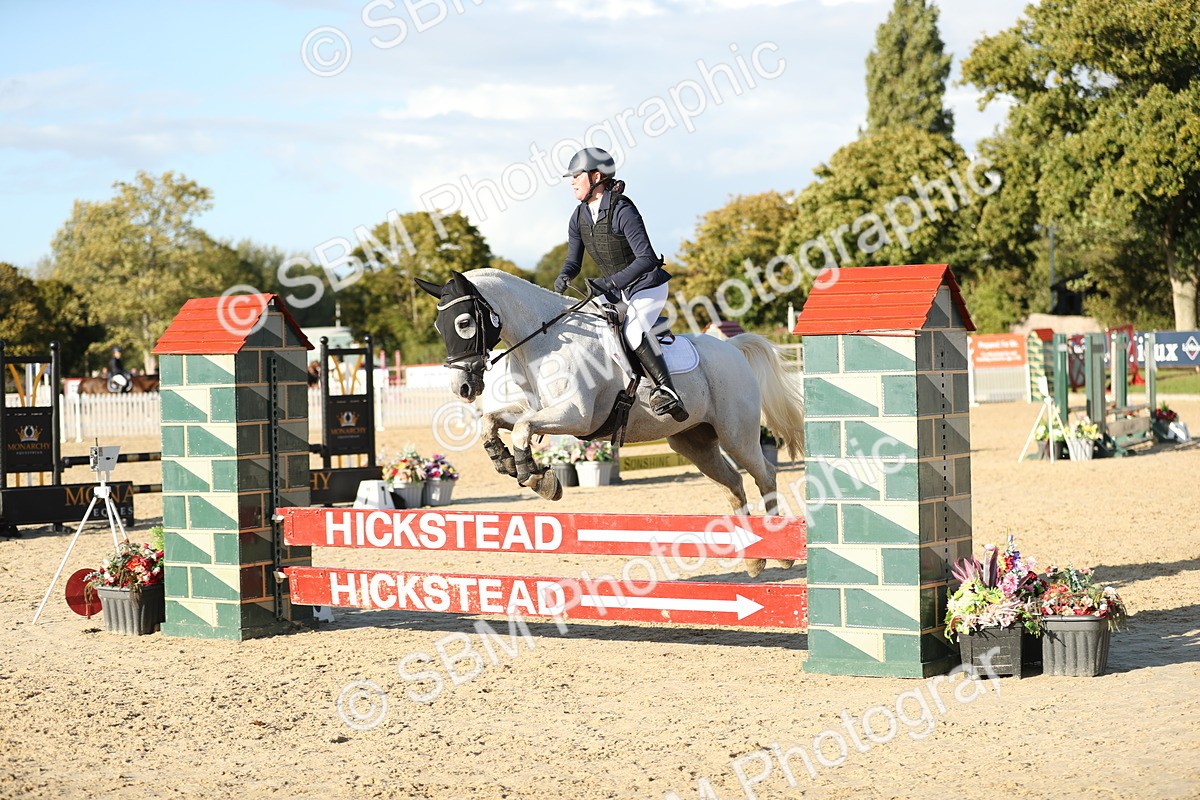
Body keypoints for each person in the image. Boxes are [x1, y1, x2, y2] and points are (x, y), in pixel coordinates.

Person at [554, 147, 688, 422]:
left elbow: (647, 258)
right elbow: (574, 261)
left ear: (596, 176)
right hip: (615, 290)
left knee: (634, 331)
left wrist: (610, 282)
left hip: (646, 286)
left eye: (576, 175)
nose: (571, 181)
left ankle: (667, 390)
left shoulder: (622, 209)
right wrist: (565, 275)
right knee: (590, 327)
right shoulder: (578, 217)